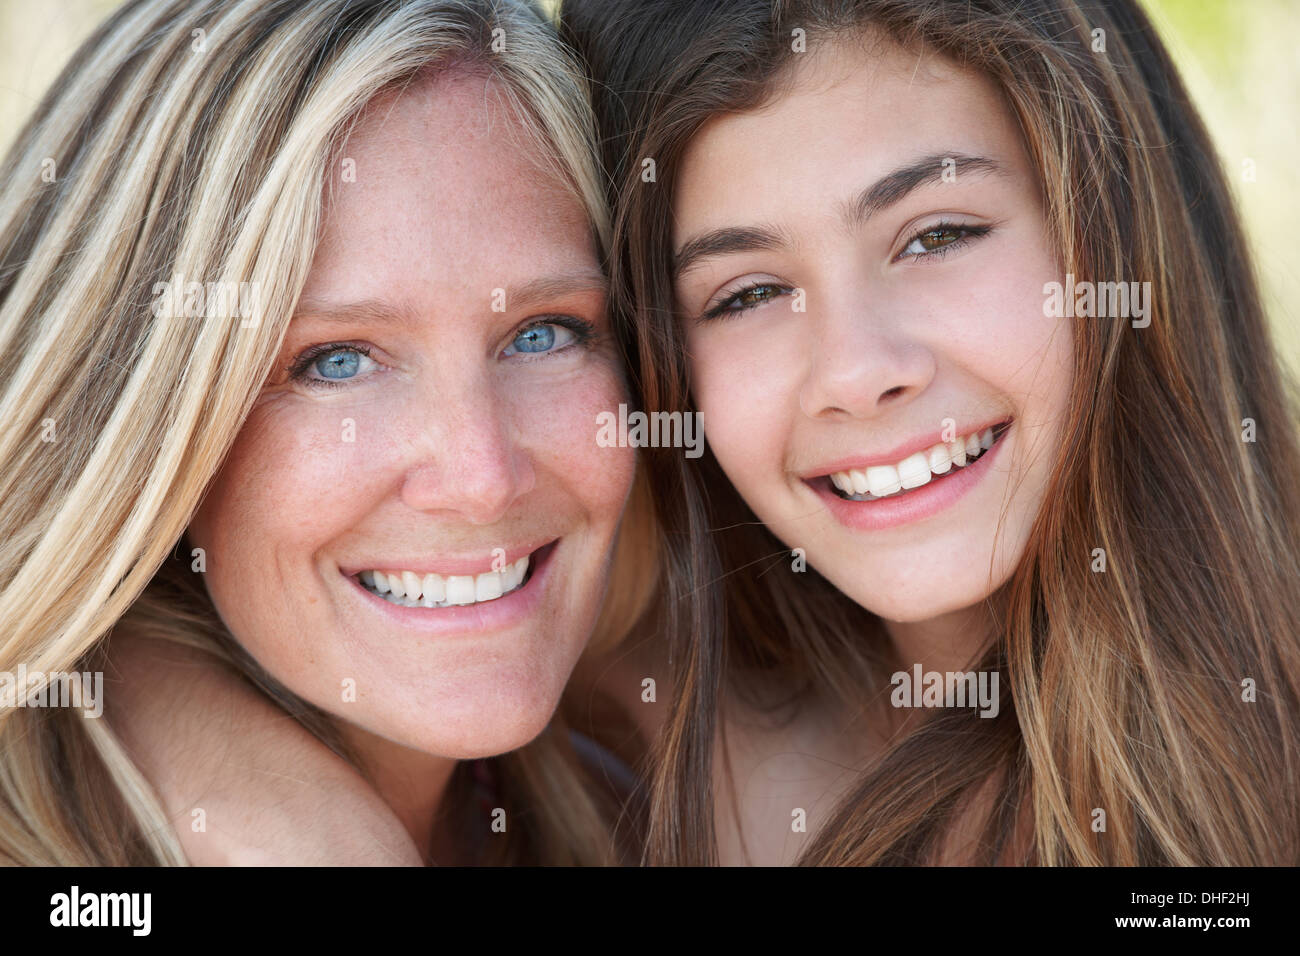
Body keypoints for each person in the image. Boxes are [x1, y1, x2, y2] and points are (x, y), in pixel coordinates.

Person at [561, 0, 1300, 865]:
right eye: (747, 294)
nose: (856, 372)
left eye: (938, 236)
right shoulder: (596, 765)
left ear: (1115, 236)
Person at [0, 0, 659, 866]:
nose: (481, 476)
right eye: (336, 362)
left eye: (543, 332)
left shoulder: (646, 804)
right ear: (143, 424)